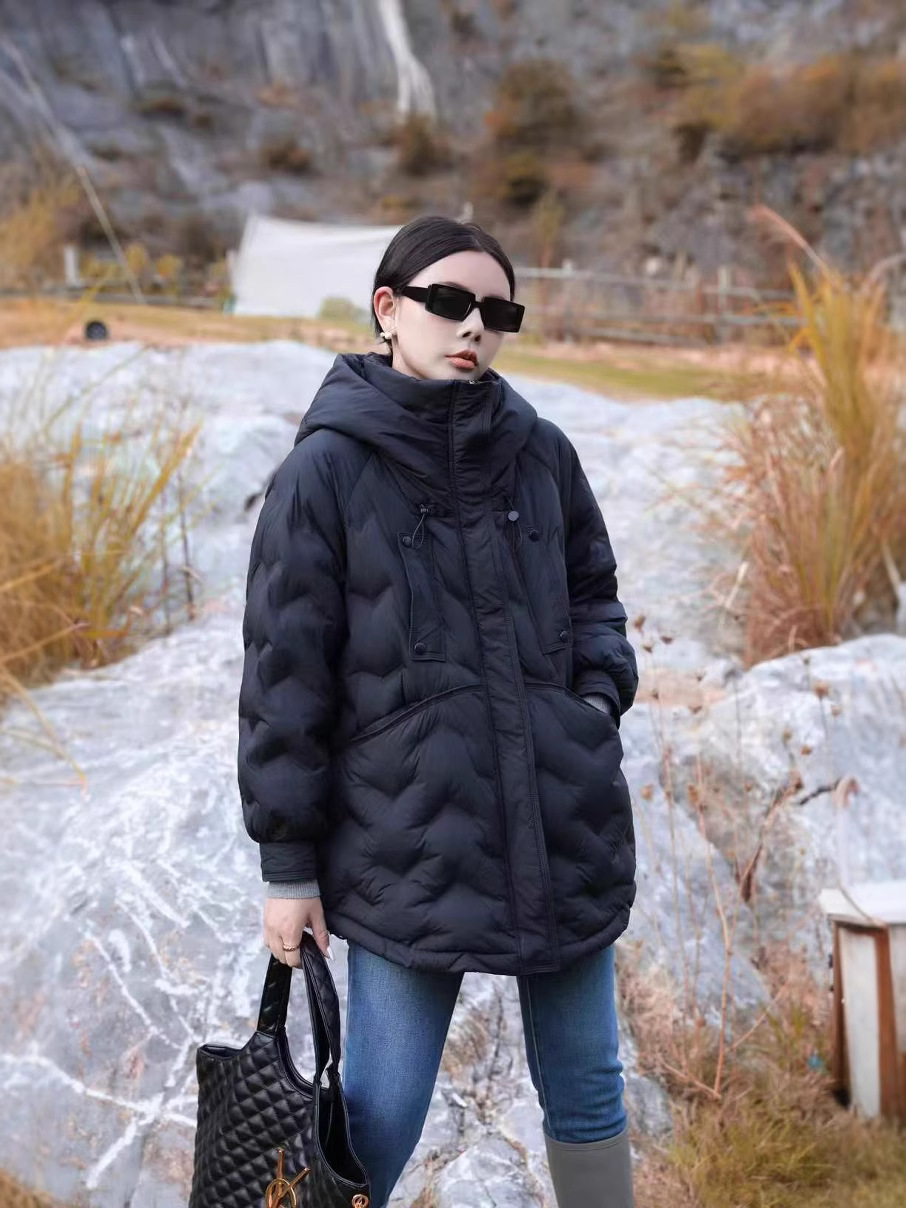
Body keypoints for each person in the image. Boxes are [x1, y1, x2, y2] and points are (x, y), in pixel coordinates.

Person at [238, 215, 639, 1208]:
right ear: (387, 307)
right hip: (408, 841)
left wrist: (592, 706)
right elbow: (285, 678)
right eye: (449, 302)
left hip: (561, 821)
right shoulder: (325, 471)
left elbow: (595, 595)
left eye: (497, 312)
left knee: (589, 1088)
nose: (474, 327)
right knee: (380, 1108)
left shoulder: (542, 452)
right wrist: (288, 866)